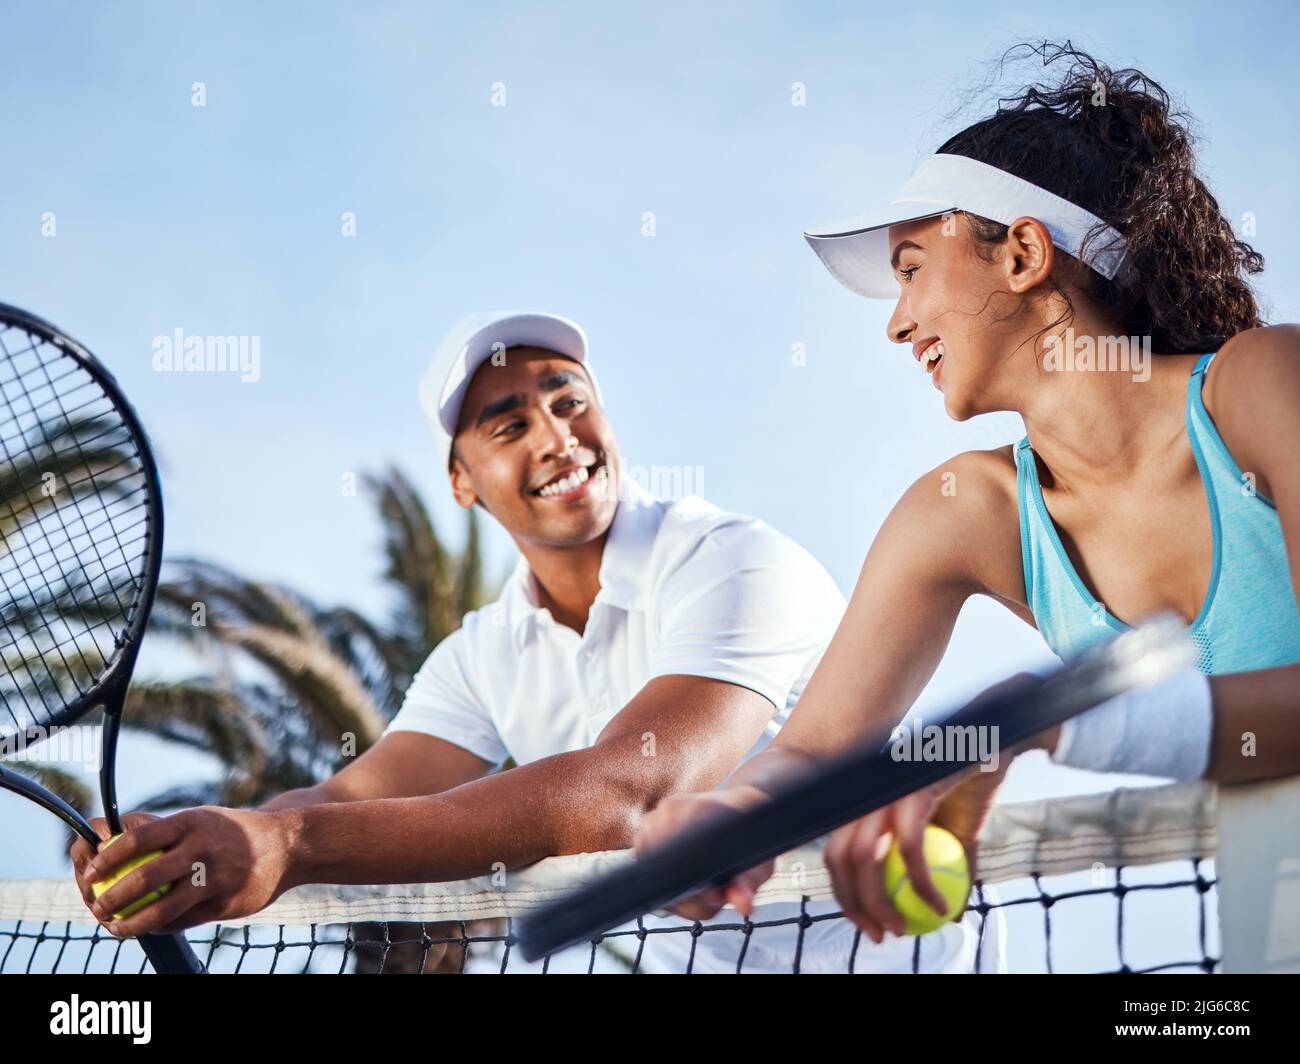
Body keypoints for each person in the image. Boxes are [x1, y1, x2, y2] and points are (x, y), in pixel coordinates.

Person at [69, 310, 987, 972]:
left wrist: (291, 844)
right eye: (509, 424)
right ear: (464, 483)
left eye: (569, 399)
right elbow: (355, 789)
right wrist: (182, 840)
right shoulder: (480, 652)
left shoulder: (731, 560)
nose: (557, 437)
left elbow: (634, 788)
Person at [635, 42, 1300, 947]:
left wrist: (1041, 722)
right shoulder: (966, 511)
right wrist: (737, 812)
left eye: (911, 267)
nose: (897, 321)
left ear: (1024, 251)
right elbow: (817, 750)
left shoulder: (1265, 383)